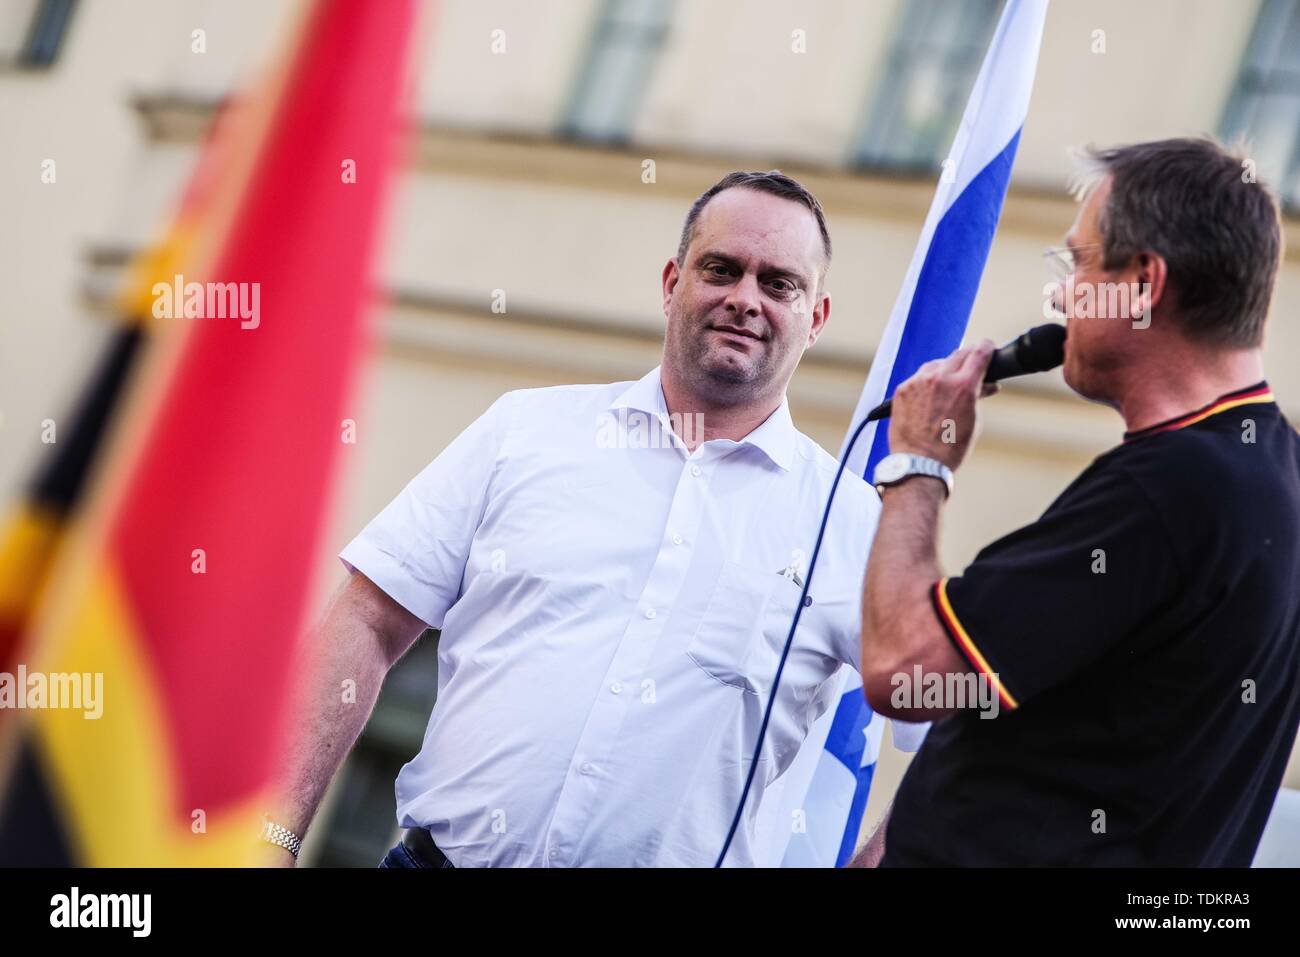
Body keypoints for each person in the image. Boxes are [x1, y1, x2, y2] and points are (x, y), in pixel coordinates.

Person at [265, 171, 919, 867]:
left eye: (778, 283)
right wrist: (273, 834)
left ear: (814, 318)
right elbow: (365, 618)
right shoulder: (528, 431)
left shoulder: (853, 525)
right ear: (672, 283)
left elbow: (963, 721)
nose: (744, 299)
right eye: (720, 269)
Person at [855, 137, 1300, 866]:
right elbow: (1045, 723)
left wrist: (918, 463)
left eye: (1080, 264)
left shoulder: (1170, 489)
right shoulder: (1273, 472)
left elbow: (903, 667)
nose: (1060, 297)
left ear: (1143, 282)